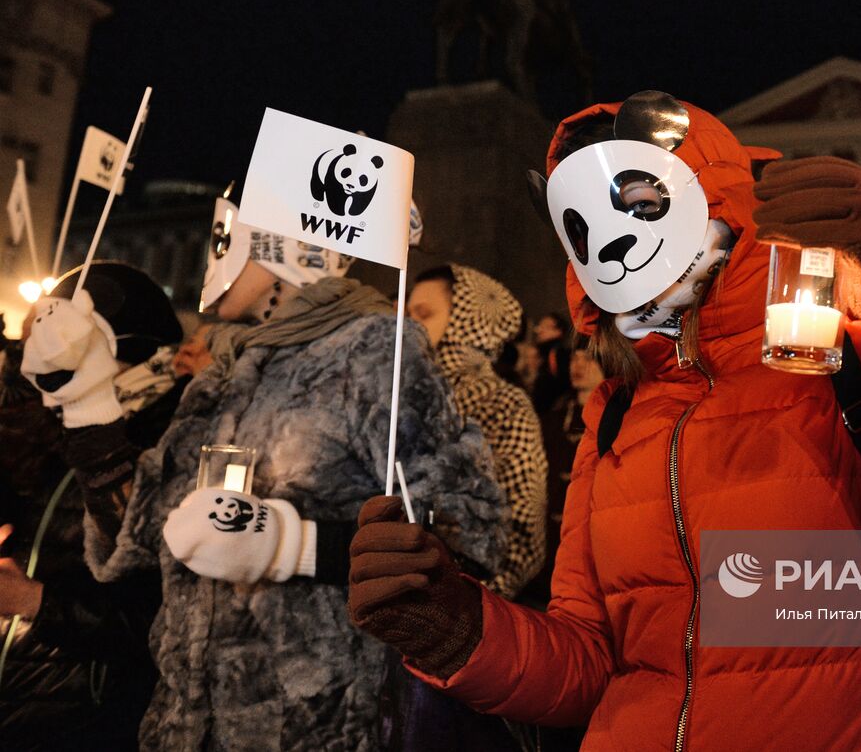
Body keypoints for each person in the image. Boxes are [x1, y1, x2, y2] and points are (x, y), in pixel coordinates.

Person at [347, 91, 861, 750]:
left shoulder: (841, 352)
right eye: (582, 227)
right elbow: (590, 660)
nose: (616, 242)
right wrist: (460, 632)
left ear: (705, 187)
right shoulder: (619, 409)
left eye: (642, 198)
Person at [21, 196, 507, 751]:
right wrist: (89, 406)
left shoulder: (374, 351)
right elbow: (137, 541)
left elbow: (466, 531)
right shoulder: (222, 374)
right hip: (186, 724)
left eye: (227, 241)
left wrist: (291, 546)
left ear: (286, 246)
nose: (213, 258)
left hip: (315, 728)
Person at [0, 263, 182, 751]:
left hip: (93, 720)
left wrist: (35, 603)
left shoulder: (170, 444)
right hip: (21, 706)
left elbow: (164, 617)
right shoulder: (59, 435)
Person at [408, 263, 548, 599]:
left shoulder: (503, 406)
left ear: (467, 325)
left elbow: (522, 538)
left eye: (423, 315)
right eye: (405, 314)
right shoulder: (402, 399)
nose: (408, 327)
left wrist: (462, 613)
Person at [521, 347, 604, 605]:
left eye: (588, 359)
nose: (578, 365)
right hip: (548, 537)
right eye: (575, 358)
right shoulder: (553, 419)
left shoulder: (621, 420)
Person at [529, 312, 571, 413]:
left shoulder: (558, 354)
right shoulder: (544, 354)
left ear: (559, 331)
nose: (538, 330)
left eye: (546, 327)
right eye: (539, 326)